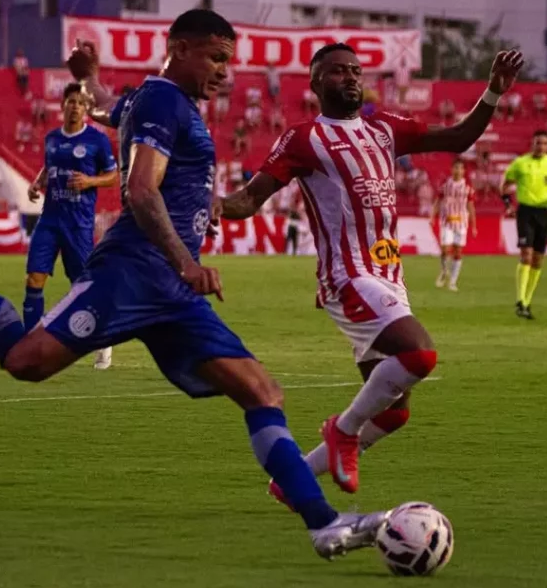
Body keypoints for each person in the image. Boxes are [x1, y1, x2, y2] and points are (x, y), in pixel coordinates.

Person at [0, 9, 390, 561]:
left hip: (172, 294)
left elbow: (113, 109)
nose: (223, 73)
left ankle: (325, 525)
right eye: (215, 58)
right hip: (133, 275)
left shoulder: (158, 99)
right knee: (25, 362)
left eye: (227, 62)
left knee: (262, 392)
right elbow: (140, 190)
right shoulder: (165, 101)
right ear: (180, 48)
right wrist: (187, 261)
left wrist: (88, 79)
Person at [214, 42, 524, 497]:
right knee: (419, 355)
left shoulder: (383, 128)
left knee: (394, 411)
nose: (352, 78)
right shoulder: (304, 138)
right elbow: (250, 198)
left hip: (389, 278)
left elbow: (458, 138)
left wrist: (493, 92)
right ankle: (343, 430)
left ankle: (291, 482)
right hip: (348, 275)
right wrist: (215, 205)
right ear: (318, 83)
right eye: (339, 72)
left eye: (356, 70)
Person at [25, 83, 118, 370]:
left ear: (86, 108)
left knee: (82, 287)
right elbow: (49, 165)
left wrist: (90, 181)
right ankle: (31, 345)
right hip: (50, 219)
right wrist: (38, 182)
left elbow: (112, 176)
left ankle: (103, 339)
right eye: (71, 101)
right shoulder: (52, 138)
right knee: (34, 279)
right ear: (63, 105)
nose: (75, 106)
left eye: (80, 102)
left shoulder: (96, 140)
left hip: (78, 224)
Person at [502, 130, 547, 320]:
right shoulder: (521, 163)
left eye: (544, 143)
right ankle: (520, 300)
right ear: (532, 143)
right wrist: (508, 205)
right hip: (525, 212)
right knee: (526, 255)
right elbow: (505, 186)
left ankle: (527, 302)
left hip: (544, 212)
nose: (541, 146)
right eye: (538, 142)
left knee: (538, 259)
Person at [432, 159, 477, 291]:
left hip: (461, 223)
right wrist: (432, 216)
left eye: (460, 168)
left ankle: (453, 281)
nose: (458, 171)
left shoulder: (468, 189)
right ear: (452, 169)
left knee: (458, 252)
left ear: (464, 171)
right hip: (447, 222)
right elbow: (438, 201)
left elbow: (471, 207)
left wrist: (474, 226)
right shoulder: (445, 186)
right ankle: (444, 271)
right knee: (445, 250)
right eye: (456, 168)